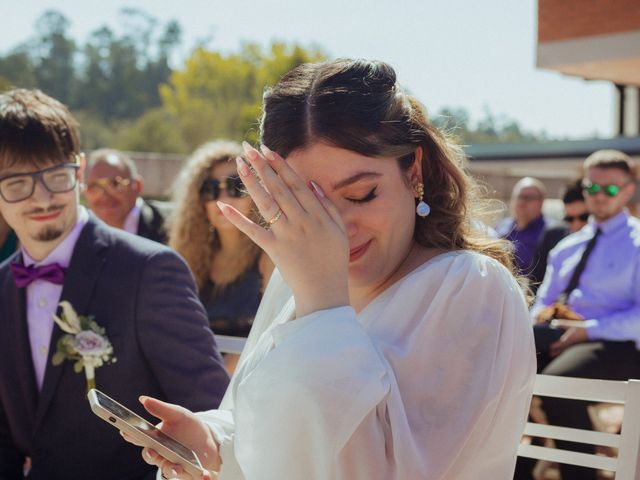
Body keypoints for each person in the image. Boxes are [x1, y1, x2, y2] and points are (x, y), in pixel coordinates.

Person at [126, 59, 536, 480]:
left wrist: (322, 304)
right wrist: (216, 442)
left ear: (414, 169)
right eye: (306, 205)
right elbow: (280, 429)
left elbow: (379, 468)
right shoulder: (299, 276)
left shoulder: (469, 289)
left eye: (361, 194)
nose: (335, 231)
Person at [0, 88, 229, 480]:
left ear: (80, 168)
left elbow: (214, 412)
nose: (41, 199)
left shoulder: (149, 270)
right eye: (18, 183)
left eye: (56, 177)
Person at [529, 149, 640, 480]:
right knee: (497, 372)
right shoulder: (567, 247)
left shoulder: (637, 243)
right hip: (561, 335)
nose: (599, 196)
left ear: (628, 190)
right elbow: (541, 303)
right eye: (593, 188)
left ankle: (581, 475)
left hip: (616, 343)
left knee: (558, 384)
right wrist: (546, 322)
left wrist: (586, 330)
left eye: (609, 189)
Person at [167, 140, 274, 372]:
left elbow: (272, 333)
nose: (223, 198)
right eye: (211, 189)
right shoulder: (189, 259)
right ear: (198, 202)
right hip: (197, 377)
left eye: (236, 186)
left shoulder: (269, 257)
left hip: (251, 378)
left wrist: (216, 378)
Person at [84, 148, 170, 244]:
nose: (104, 195)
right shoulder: (81, 235)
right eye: (94, 186)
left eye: (115, 184)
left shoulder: (170, 228)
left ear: (137, 186)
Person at [529, 179, 589, 290]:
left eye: (584, 217)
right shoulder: (552, 236)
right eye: (570, 219)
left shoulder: (607, 239)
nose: (577, 224)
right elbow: (536, 282)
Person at [496, 177, 547, 279]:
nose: (522, 202)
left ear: (541, 202)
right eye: (519, 197)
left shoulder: (549, 231)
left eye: (529, 198)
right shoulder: (501, 227)